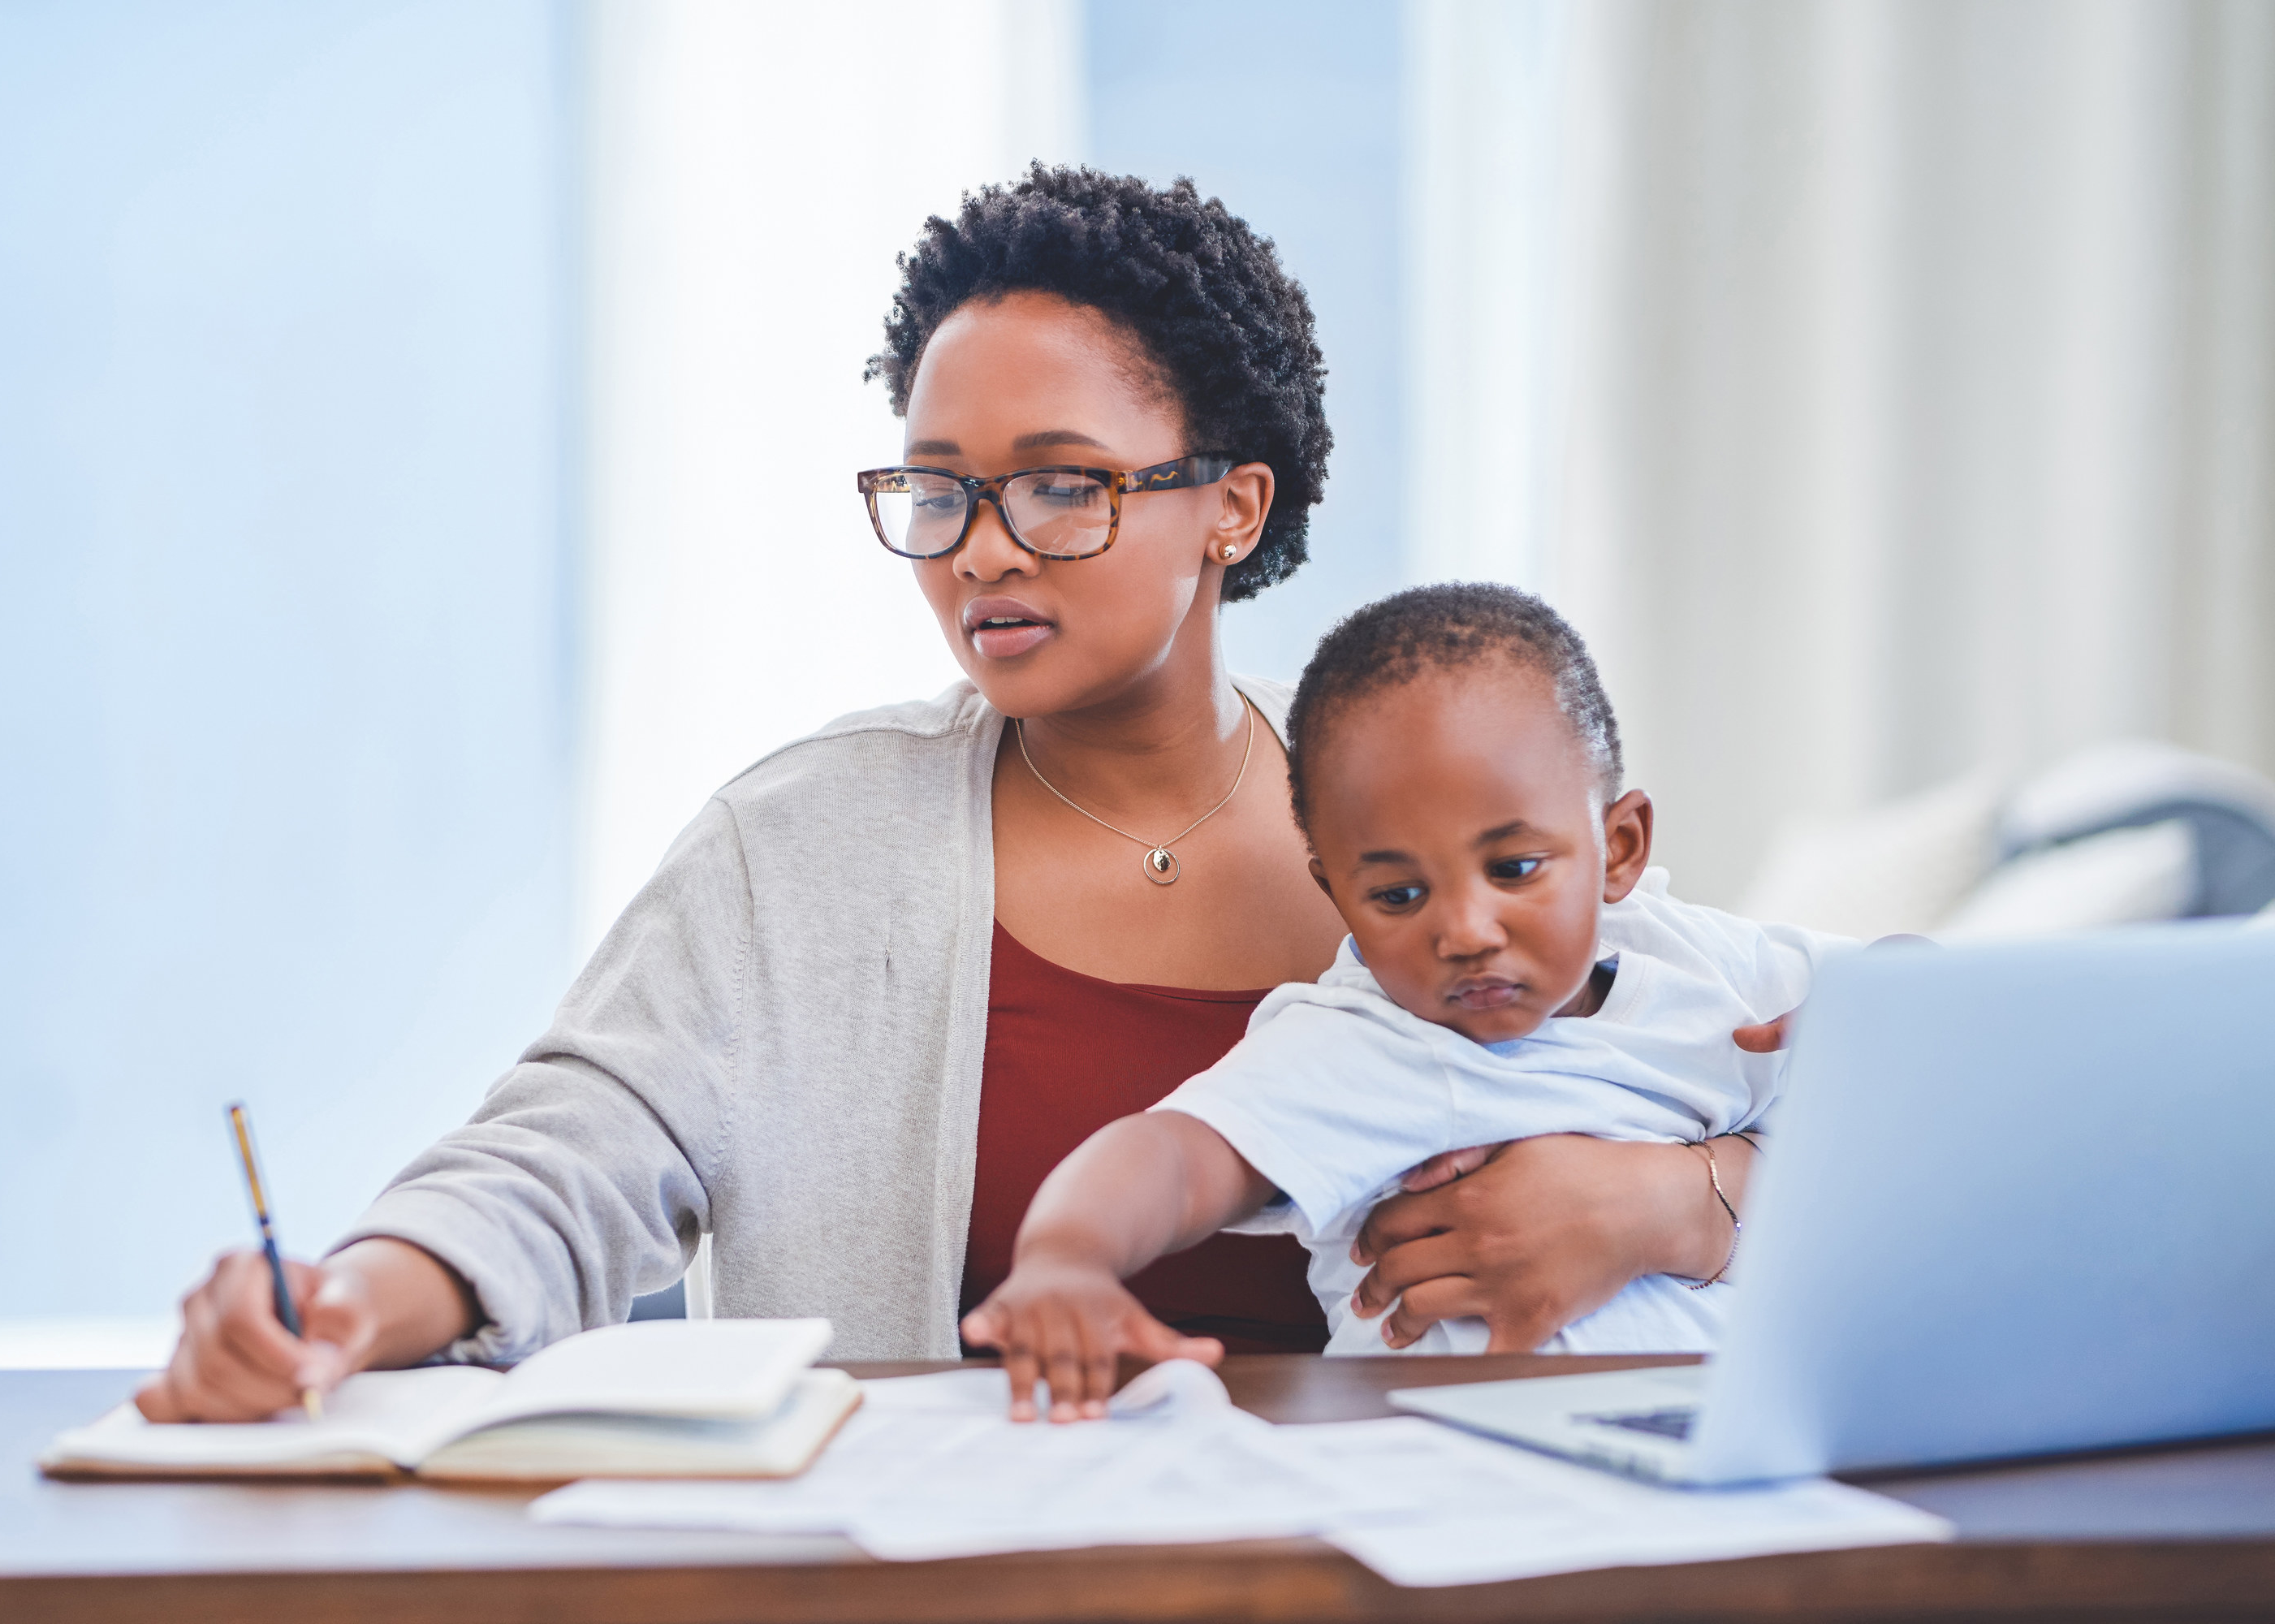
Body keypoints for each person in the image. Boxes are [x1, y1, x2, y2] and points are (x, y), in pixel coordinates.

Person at [137, 168, 1764, 1424]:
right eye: (939, 490)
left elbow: (1824, 1110)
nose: (982, 547)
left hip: (1441, 1539)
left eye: (1062, 483)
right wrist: (351, 1294)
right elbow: (566, 1157)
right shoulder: (806, 846)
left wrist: (1677, 1202)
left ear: (1231, 506)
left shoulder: (1443, 810)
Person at [961, 584, 1841, 1420]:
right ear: (1337, 895)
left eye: (1514, 869)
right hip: (1452, 1464)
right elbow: (1176, 1154)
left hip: (1723, 1441)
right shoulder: (1366, 1040)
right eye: (1398, 895)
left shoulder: (1702, 961)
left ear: (1620, 846)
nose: (1465, 930)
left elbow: (1927, 993)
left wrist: (1895, 1015)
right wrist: (1067, 1254)